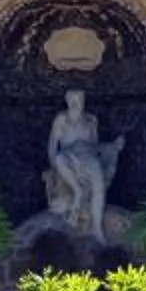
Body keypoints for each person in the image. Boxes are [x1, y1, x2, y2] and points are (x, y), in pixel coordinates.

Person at [46, 88, 120, 240]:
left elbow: (95, 145)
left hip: (88, 157)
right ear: (67, 101)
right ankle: (77, 190)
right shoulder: (62, 119)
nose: (75, 102)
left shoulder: (91, 120)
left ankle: (97, 228)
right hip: (68, 156)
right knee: (60, 159)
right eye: (72, 99)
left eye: (79, 99)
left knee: (98, 182)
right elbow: (53, 145)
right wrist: (53, 167)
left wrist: (112, 146)